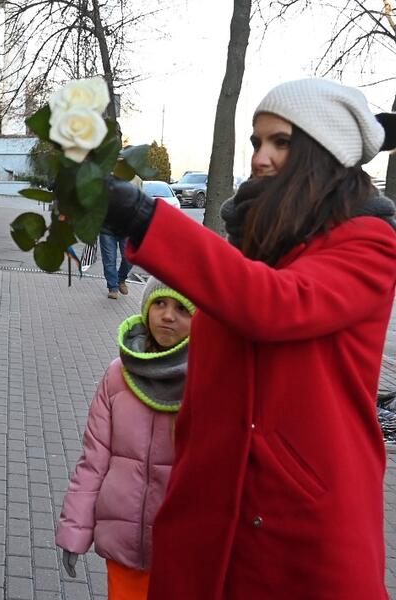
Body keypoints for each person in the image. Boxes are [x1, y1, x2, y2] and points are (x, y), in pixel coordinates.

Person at [101, 78, 396, 599]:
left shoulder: (369, 243)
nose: (260, 157)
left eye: (281, 142)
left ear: (322, 151)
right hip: (212, 510)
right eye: (256, 141)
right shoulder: (257, 240)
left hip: (301, 522)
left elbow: (274, 305)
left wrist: (146, 218)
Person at [55, 277, 195, 599]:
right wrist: (75, 530)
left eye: (181, 308)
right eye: (159, 303)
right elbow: (94, 460)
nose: (168, 316)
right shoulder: (118, 376)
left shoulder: (208, 380)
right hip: (123, 545)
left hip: (180, 551)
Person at [99, 226, 133, 299]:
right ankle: (113, 287)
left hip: (128, 229)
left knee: (129, 259)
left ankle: (121, 279)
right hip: (107, 228)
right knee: (109, 260)